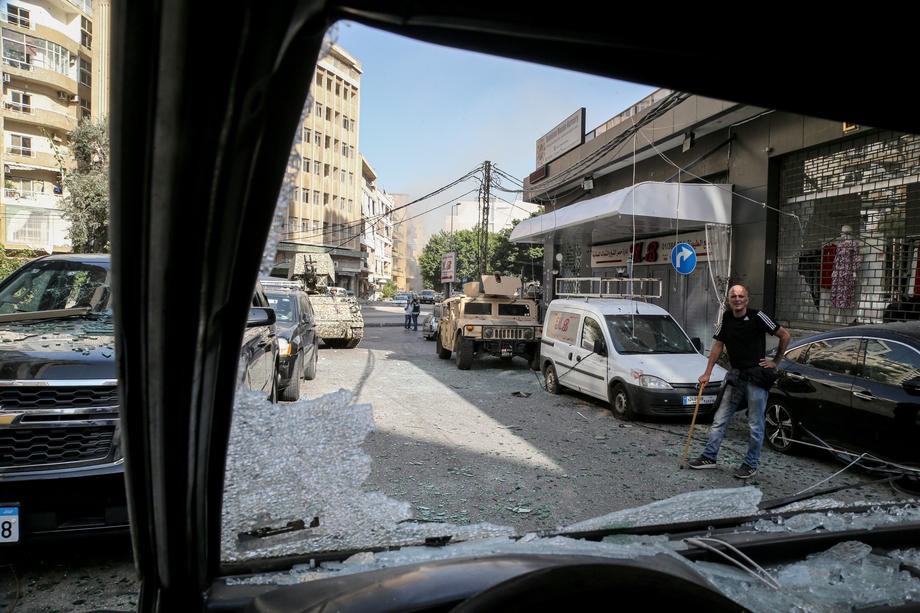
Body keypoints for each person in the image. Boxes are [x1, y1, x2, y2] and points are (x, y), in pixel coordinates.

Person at [689, 284, 791, 479]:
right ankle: (709, 457)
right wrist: (707, 373)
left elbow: (785, 335)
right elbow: (718, 345)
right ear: (729, 300)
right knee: (720, 419)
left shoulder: (758, 316)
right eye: (733, 296)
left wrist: (776, 361)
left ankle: (751, 464)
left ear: (747, 299)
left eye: (741, 296)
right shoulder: (727, 318)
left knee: (755, 424)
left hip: (756, 376)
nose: (737, 299)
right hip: (736, 376)